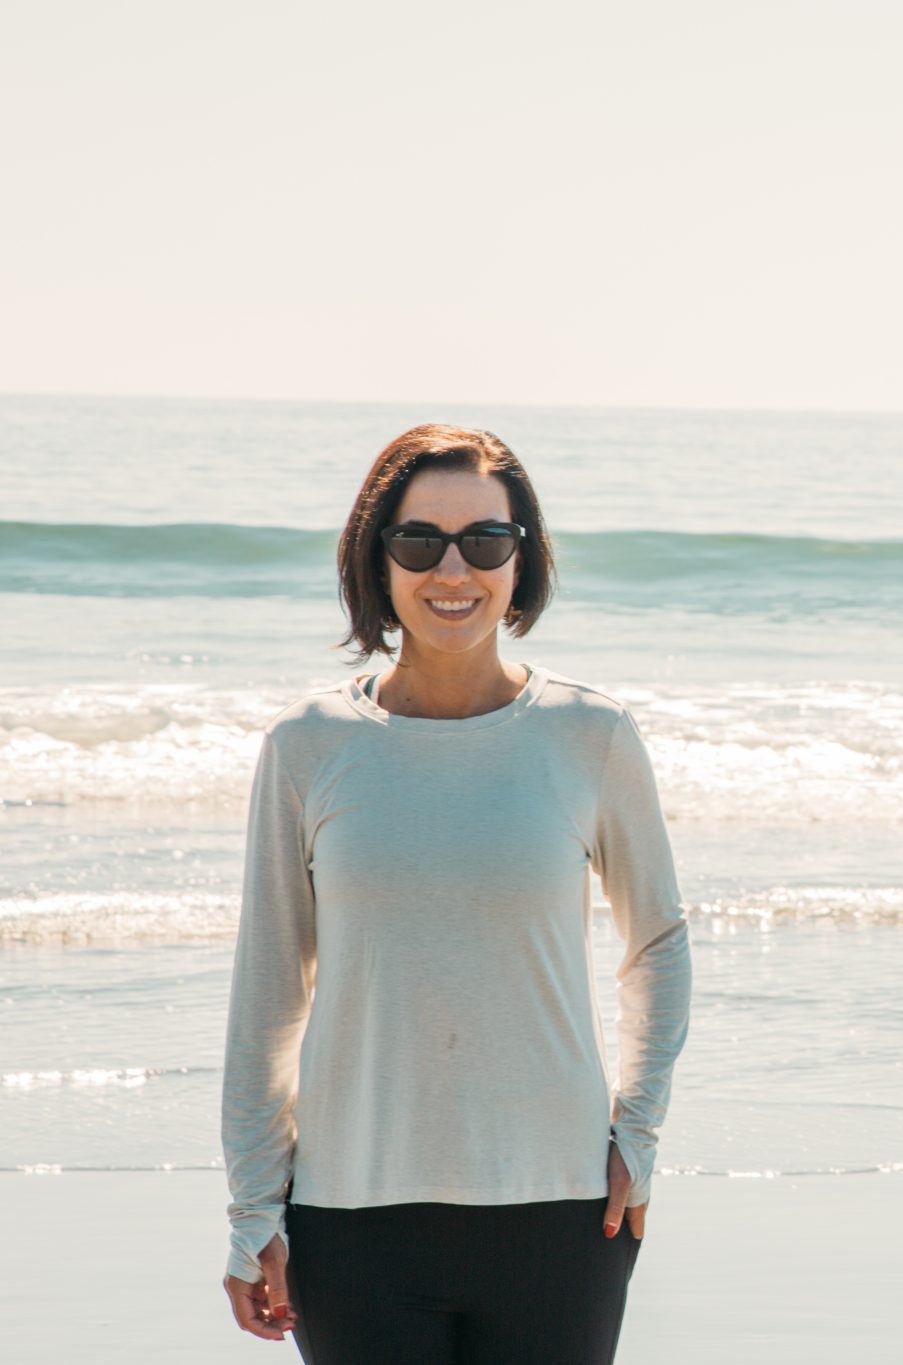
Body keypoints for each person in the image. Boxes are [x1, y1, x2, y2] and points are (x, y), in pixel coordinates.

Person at [219, 425, 692, 1363]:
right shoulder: (308, 744)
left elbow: (660, 943)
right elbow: (268, 992)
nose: (453, 568)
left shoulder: (589, 734)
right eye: (418, 539)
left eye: (486, 540)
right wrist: (251, 1204)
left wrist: (637, 1134)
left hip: (562, 1214)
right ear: (377, 557)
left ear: (522, 559)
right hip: (349, 1216)